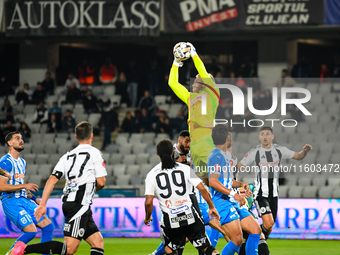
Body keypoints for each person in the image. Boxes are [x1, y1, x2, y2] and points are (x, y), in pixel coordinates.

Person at [14, 121, 107, 255]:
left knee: (97, 242)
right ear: (91, 136)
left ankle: (23, 249)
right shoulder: (94, 153)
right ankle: (24, 249)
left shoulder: (67, 156)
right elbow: (101, 182)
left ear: (76, 137)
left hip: (72, 202)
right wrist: (94, 188)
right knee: (69, 249)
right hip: (79, 204)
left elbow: (52, 179)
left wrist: (43, 204)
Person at [144, 139, 220, 255]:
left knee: (169, 249)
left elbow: (149, 202)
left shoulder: (151, 174)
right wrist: (212, 207)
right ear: (172, 152)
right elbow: (203, 189)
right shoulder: (186, 169)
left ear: (157, 154)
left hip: (170, 219)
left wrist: (147, 217)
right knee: (206, 247)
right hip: (190, 215)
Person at [237, 126, 312, 240]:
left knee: (269, 226)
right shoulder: (255, 152)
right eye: (262, 134)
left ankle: (255, 243)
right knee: (268, 223)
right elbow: (238, 167)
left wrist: (304, 151)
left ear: (272, 137)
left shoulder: (279, 150)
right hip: (260, 194)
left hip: (274, 195)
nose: (265, 136)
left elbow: (298, 156)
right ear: (259, 137)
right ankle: (252, 240)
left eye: (267, 134)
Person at [169, 42, 221, 185]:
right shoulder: (191, 98)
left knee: (216, 183)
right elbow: (172, 84)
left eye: (197, 78)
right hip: (195, 146)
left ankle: (236, 195)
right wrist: (176, 63)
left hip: (208, 142)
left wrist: (194, 54)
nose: (194, 80)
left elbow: (203, 73)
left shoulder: (212, 94)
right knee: (205, 184)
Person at [208, 124, 261, 255]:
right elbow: (213, 182)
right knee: (236, 239)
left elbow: (226, 181)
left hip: (230, 199)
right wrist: (234, 194)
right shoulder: (216, 156)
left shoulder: (223, 156)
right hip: (221, 201)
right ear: (227, 138)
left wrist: (241, 184)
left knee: (256, 229)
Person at [1, 131, 54, 255]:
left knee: (48, 227)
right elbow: (2, 186)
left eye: (21, 138)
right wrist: (25, 185)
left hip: (25, 200)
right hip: (11, 201)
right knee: (31, 232)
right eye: (17, 138)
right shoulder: (5, 162)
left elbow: (20, 186)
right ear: (9, 143)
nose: (21, 140)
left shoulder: (22, 162)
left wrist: (35, 199)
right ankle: (11, 253)